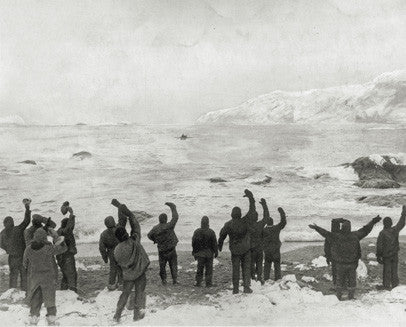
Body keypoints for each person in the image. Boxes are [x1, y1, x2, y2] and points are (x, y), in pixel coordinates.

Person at [309, 216, 381, 300]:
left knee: (339, 280)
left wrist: (316, 227)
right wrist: (373, 221)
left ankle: (339, 296)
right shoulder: (355, 235)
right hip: (352, 263)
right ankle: (351, 296)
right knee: (352, 280)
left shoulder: (335, 236)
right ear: (349, 228)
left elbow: (325, 233)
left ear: (341, 228)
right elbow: (366, 229)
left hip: (340, 264)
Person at [23, 227, 67, 325]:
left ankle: (34, 319)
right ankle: (51, 320)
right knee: (50, 299)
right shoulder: (48, 248)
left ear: (34, 236)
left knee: (35, 299)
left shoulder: (28, 249)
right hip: (48, 278)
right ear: (44, 237)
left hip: (35, 278)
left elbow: (25, 263)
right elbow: (63, 248)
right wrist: (55, 236)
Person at [218, 189, 256, 294]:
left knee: (235, 270)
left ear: (232, 214)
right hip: (246, 248)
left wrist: (219, 245)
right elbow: (252, 210)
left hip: (235, 250)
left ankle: (235, 289)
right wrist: (251, 197)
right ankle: (246, 288)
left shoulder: (228, 224)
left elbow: (222, 235)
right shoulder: (245, 220)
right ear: (240, 214)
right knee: (246, 269)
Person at [113, 212, 150, 322]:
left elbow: (118, 265)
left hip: (128, 275)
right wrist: (131, 217)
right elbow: (137, 229)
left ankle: (117, 315)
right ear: (125, 234)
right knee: (139, 292)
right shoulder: (133, 242)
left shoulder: (116, 250)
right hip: (139, 273)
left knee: (125, 294)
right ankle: (136, 315)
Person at [0, 199, 31, 291]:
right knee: (24, 276)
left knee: (13, 277)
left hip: (12, 257)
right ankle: (24, 292)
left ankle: (11, 292)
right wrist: (27, 207)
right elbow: (27, 221)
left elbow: (0, 244)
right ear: (12, 222)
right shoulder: (18, 229)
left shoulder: (2, 233)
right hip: (21, 256)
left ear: (4, 224)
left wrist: (7, 249)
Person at [147, 202, 179, 285]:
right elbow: (175, 217)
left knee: (162, 266)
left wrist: (155, 240)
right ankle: (174, 280)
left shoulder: (155, 228)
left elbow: (149, 235)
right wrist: (173, 208)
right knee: (173, 265)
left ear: (159, 219)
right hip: (171, 249)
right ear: (165, 219)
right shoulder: (169, 226)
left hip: (162, 250)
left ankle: (164, 280)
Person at [376, 205, 405, 290]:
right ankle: (395, 285)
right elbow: (402, 223)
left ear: (384, 224)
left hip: (386, 256)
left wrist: (378, 256)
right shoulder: (395, 230)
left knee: (386, 271)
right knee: (394, 270)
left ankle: (386, 286)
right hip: (394, 254)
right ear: (391, 223)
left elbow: (379, 246)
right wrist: (403, 214)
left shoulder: (382, 233)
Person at [249, 197, 272, 284]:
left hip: (251, 248)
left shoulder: (248, 226)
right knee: (259, 262)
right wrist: (264, 205)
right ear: (257, 217)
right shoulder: (260, 225)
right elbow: (267, 217)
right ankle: (259, 277)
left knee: (251, 263)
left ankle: (252, 277)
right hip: (259, 247)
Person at [262, 203, 287, 282]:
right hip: (276, 249)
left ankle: (266, 279)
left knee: (267, 265)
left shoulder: (264, 230)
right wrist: (281, 212)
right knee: (277, 265)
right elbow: (283, 222)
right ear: (273, 223)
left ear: (267, 223)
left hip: (267, 250)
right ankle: (278, 278)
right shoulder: (276, 228)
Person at [56, 202, 77, 292]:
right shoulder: (66, 232)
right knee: (72, 275)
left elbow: (69, 226)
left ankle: (63, 292)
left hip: (60, 257)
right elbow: (70, 227)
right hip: (67, 257)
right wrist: (71, 213)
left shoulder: (58, 232)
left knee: (65, 275)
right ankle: (73, 294)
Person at [192, 216, 218, 287]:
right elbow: (214, 243)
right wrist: (216, 252)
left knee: (199, 269)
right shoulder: (211, 232)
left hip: (200, 254)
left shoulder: (197, 231)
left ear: (201, 223)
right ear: (208, 223)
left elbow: (194, 243)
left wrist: (194, 252)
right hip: (209, 253)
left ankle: (198, 282)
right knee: (209, 269)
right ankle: (208, 283)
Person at [99, 216, 123, 290]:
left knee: (113, 269)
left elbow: (102, 248)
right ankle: (121, 284)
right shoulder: (120, 230)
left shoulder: (104, 234)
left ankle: (111, 284)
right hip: (121, 250)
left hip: (111, 252)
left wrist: (105, 258)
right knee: (121, 268)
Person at [324, 218, 342, 288]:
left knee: (335, 272)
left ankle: (336, 286)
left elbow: (327, 248)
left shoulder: (329, 235)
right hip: (343, 257)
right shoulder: (343, 234)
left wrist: (328, 258)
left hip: (334, 257)